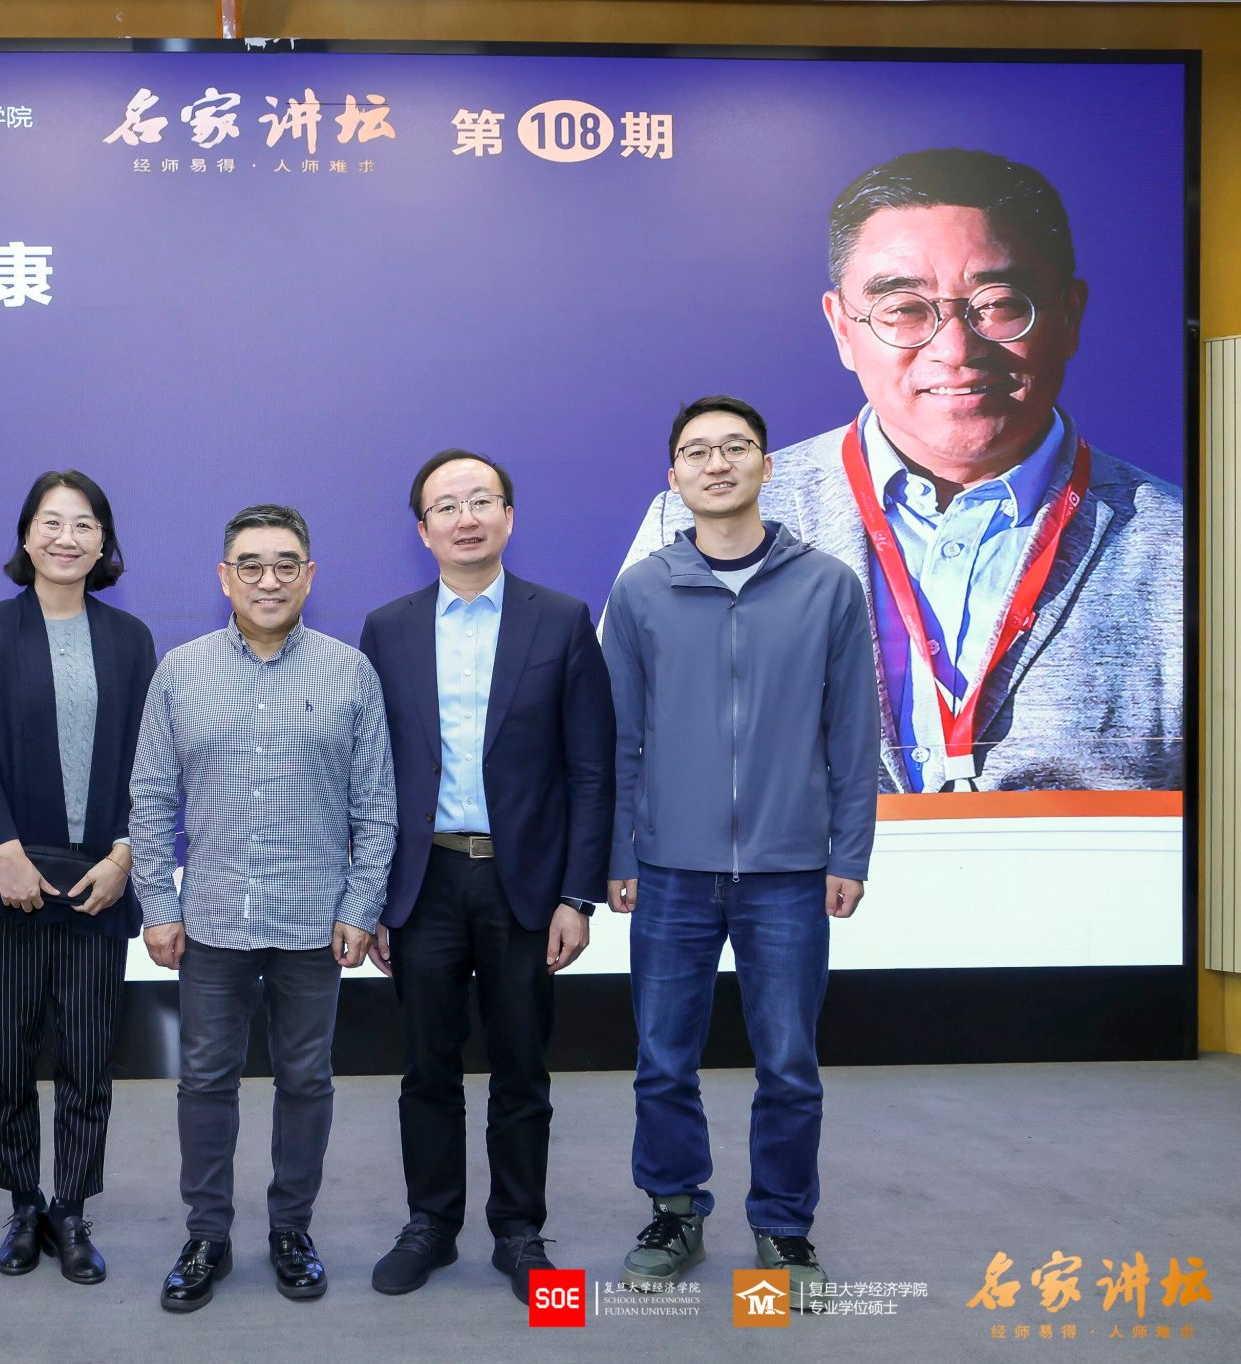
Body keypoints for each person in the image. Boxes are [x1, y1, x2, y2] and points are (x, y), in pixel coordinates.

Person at [619, 148, 1182, 792]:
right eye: (905, 309)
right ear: (842, 328)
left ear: (1069, 316)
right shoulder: (693, 528)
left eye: (999, 304)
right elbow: (622, 765)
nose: (955, 350)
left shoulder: (1188, 547)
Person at [602, 396, 881, 1312]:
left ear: (765, 464)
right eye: (697, 451)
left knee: (789, 1065)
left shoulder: (827, 585)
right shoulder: (642, 590)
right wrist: (619, 853)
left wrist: (850, 853)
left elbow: (852, 734)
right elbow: (619, 739)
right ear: (673, 477)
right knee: (662, 1059)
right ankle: (674, 1210)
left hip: (789, 873)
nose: (716, 463)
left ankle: (784, 1226)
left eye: (735, 447)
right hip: (670, 871)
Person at [357, 449, 615, 1308]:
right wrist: (373, 895)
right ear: (422, 529)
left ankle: (519, 1231)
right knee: (425, 1068)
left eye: (482, 501)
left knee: (521, 1069)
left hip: (524, 884)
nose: (465, 518)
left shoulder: (562, 620)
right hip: (423, 882)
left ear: (508, 516)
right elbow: (371, 774)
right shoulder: (387, 628)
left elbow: (590, 770)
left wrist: (576, 895)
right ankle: (430, 1225)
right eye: (447, 506)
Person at [128, 503, 396, 1313]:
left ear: (309, 576)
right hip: (211, 919)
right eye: (251, 564)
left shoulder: (350, 673)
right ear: (225, 577)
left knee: (306, 1080)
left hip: (315, 922)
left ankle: (291, 1229)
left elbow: (376, 806)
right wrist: (157, 903)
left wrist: (362, 903)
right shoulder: (181, 671)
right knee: (205, 1081)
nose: (268, 579)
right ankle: (206, 1234)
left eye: (285, 564)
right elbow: (150, 800)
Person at [0, 470, 157, 1286]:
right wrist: (5, 852)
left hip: (100, 877)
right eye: (51, 522)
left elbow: (151, 759)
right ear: (26, 535)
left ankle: (70, 1208)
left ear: (104, 543)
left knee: (88, 1055)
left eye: (83, 525)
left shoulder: (130, 639)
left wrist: (124, 855)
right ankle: (22, 1204)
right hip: (8, 877)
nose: (66, 538)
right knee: (6, 1053)